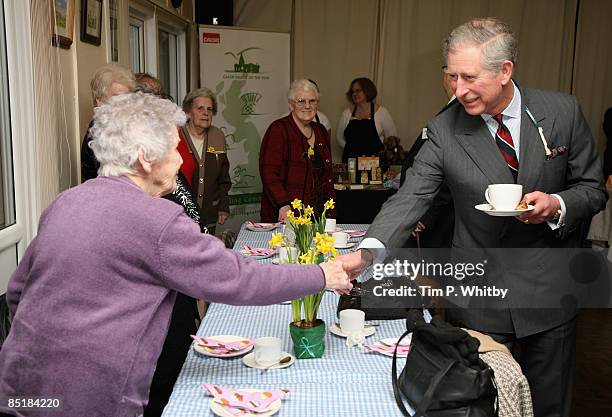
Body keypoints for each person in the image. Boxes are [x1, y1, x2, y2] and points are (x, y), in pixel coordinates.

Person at [0, 92, 352, 417]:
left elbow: (19, 291)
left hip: (18, 385)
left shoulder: (67, 200)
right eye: (173, 149)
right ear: (144, 158)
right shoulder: (157, 218)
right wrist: (322, 275)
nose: (181, 159)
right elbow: (239, 279)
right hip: (91, 399)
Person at [340, 18, 606, 417]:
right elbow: (411, 195)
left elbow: (592, 188)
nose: (458, 90)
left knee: (550, 405)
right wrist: (368, 252)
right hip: (478, 297)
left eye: (469, 77)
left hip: (549, 292)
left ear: (505, 71)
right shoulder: (444, 129)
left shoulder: (561, 111)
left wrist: (557, 205)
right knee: (478, 405)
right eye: (451, 77)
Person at [259, 79, 335, 223]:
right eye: (301, 101)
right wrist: (283, 204)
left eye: (312, 101)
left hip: (320, 216)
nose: (307, 106)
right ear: (291, 104)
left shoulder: (321, 131)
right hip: (287, 216)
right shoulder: (278, 129)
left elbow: (327, 175)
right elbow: (269, 172)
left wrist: (330, 212)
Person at [400, 68, 457, 248]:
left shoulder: (458, 113)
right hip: (431, 211)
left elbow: (452, 172)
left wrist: (425, 215)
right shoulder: (450, 109)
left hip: (439, 217)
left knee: (430, 273)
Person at [179, 88, 231, 235]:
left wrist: (223, 206)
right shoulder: (176, 136)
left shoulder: (217, 135)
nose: (206, 113)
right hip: (181, 215)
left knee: (206, 254)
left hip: (209, 213)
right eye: (200, 108)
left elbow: (223, 176)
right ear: (188, 112)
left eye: (209, 109)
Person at [80, 64, 136, 182]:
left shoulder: (127, 126)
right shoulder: (99, 133)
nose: (125, 103)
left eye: (127, 98)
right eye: (118, 97)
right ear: (99, 101)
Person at [336, 77, 397, 162]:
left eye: (358, 91)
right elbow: (339, 138)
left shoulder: (382, 113)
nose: (354, 94)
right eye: (353, 92)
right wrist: (352, 151)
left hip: (374, 165)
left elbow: (392, 139)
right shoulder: (346, 114)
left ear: (368, 91)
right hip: (351, 164)